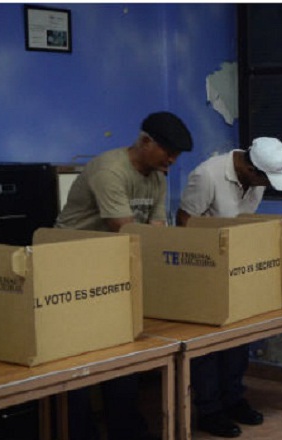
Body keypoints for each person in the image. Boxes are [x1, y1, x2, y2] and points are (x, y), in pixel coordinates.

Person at [56, 111, 193, 440]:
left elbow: (157, 231)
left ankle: (125, 427)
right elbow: (128, 231)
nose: (173, 160)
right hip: (70, 264)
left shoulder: (158, 176)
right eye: (168, 151)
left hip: (114, 264)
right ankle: (80, 432)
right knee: (77, 356)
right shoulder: (110, 170)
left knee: (123, 350)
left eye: (177, 154)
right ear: (145, 142)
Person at [176, 137, 282, 438]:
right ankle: (210, 410)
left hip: (235, 267)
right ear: (250, 168)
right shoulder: (208, 175)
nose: (266, 186)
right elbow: (183, 222)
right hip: (202, 269)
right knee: (209, 346)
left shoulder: (255, 182)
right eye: (265, 180)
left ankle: (233, 399)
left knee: (238, 339)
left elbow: (244, 222)